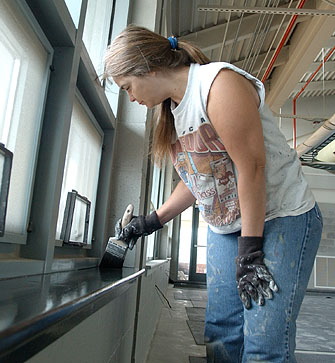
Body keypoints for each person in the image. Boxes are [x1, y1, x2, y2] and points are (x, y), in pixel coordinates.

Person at [103, 25, 322, 363]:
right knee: (221, 334)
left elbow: (251, 168)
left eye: (128, 87)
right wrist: (149, 222)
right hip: (228, 227)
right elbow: (199, 179)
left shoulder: (217, 84)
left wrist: (250, 254)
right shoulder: (173, 113)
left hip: (282, 216)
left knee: (263, 344)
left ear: (145, 66)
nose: (131, 97)